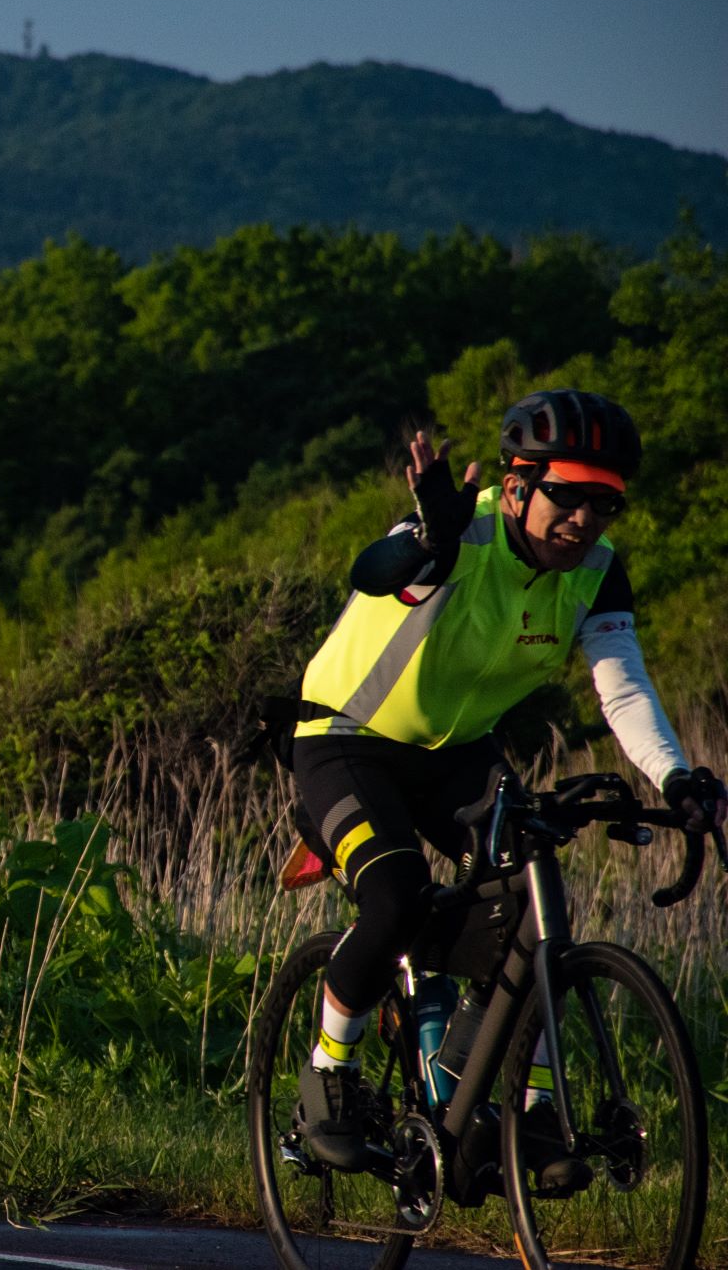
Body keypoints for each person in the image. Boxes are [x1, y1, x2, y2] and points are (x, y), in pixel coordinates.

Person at [288, 389, 724, 1189]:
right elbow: (380, 572)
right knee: (395, 898)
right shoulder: (460, 532)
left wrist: (675, 775)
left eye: (606, 502)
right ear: (519, 483)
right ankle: (329, 1074)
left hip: (454, 752)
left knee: (531, 898)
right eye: (567, 495)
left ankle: (523, 1115)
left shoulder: (596, 572)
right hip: (345, 738)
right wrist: (427, 538)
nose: (586, 519)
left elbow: (622, 690)